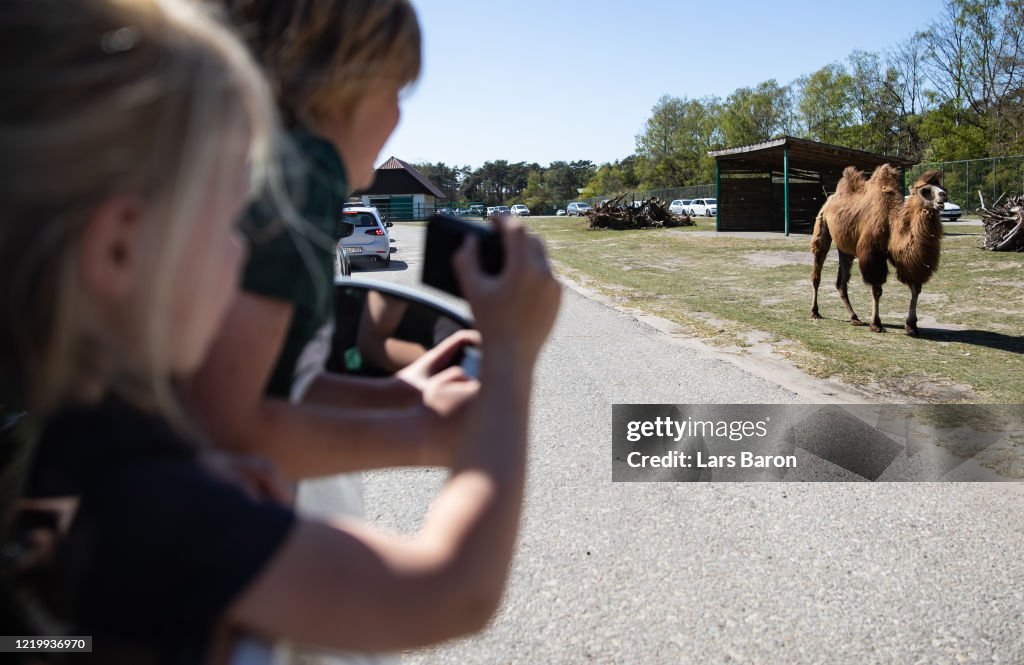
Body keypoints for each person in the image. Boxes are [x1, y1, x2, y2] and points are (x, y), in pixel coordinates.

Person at [0, 2, 561, 665]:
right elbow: (451, 589)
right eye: (233, 219)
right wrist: (514, 358)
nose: (248, 254)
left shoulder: (63, 452)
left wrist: (190, 469)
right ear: (119, 248)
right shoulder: (146, 505)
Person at [185, 0, 468, 497]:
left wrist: (403, 395)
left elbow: (285, 386)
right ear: (343, 87)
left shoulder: (245, 162)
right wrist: (431, 437)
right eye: (394, 90)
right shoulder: (304, 179)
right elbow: (227, 432)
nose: (399, 114)